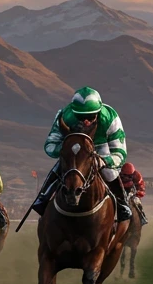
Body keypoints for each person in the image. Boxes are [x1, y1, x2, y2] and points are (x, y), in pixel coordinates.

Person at [31, 86, 131, 222]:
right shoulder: (64, 115)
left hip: (99, 147)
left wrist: (104, 161)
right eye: (80, 116)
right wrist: (66, 147)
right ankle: (43, 198)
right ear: (73, 112)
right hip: (73, 147)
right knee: (62, 166)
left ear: (99, 111)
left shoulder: (110, 117)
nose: (86, 121)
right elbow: (50, 145)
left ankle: (122, 204)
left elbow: (120, 152)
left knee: (109, 173)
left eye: (90, 116)